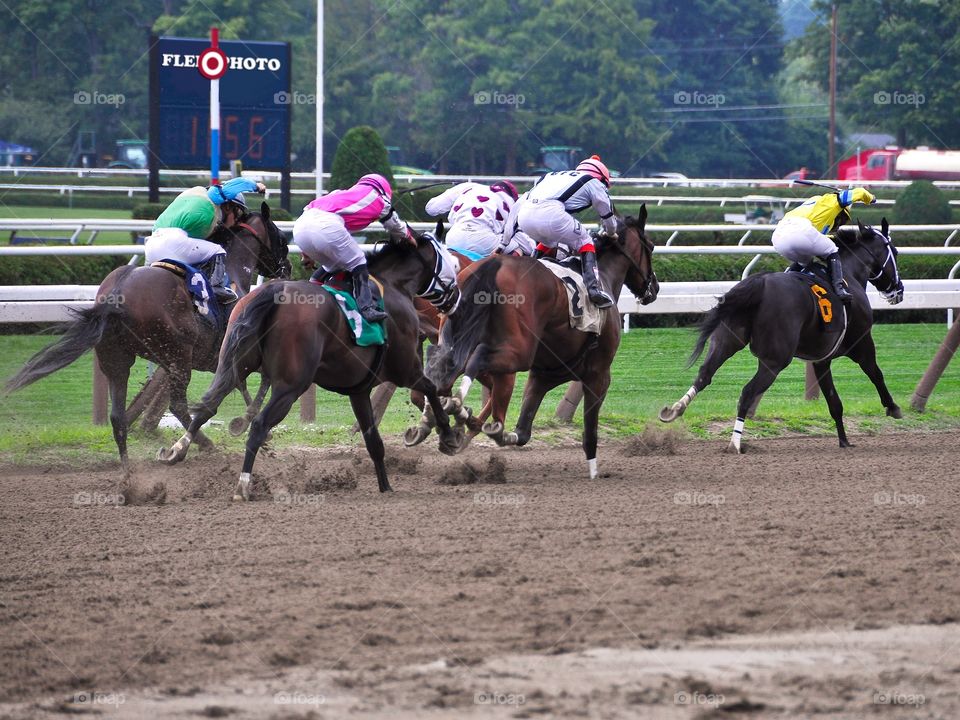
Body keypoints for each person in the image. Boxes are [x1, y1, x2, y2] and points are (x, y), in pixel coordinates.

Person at [293, 173, 414, 322]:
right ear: (385, 191)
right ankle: (366, 308)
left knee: (334, 264)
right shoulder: (380, 200)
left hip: (300, 227)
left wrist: (307, 254)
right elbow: (395, 227)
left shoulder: (339, 193)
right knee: (358, 260)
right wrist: (409, 236)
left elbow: (310, 222)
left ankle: (312, 288)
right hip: (326, 227)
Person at [514, 154, 619, 307]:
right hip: (550, 213)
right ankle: (594, 290)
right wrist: (611, 232)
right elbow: (607, 213)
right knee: (585, 240)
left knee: (550, 240)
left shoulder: (553, 176)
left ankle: (531, 268)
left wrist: (503, 243)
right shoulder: (593, 181)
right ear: (601, 178)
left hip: (524, 217)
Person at [148, 176, 267, 304]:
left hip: (151, 246)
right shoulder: (214, 197)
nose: (236, 220)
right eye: (238, 214)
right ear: (227, 207)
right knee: (217, 250)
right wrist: (255, 186)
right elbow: (233, 185)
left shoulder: (192, 201)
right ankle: (217, 289)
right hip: (173, 243)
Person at [772, 187, 876, 303]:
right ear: (841, 212)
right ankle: (839, 289)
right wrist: (870, 198)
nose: (838, 226)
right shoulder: (831, 201)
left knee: (805, 262)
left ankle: (784, 283)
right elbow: (860, 192)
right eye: (842, 220)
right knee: (832, 250)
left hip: (778, 238)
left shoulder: (813, 209)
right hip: (799, 232)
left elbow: (815, 238)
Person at [425, 179, 519, 259]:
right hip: (484, 243)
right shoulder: (512, 203)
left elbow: (430, 209)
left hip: (453, 238)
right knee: (520, 247)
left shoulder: (466, 186)